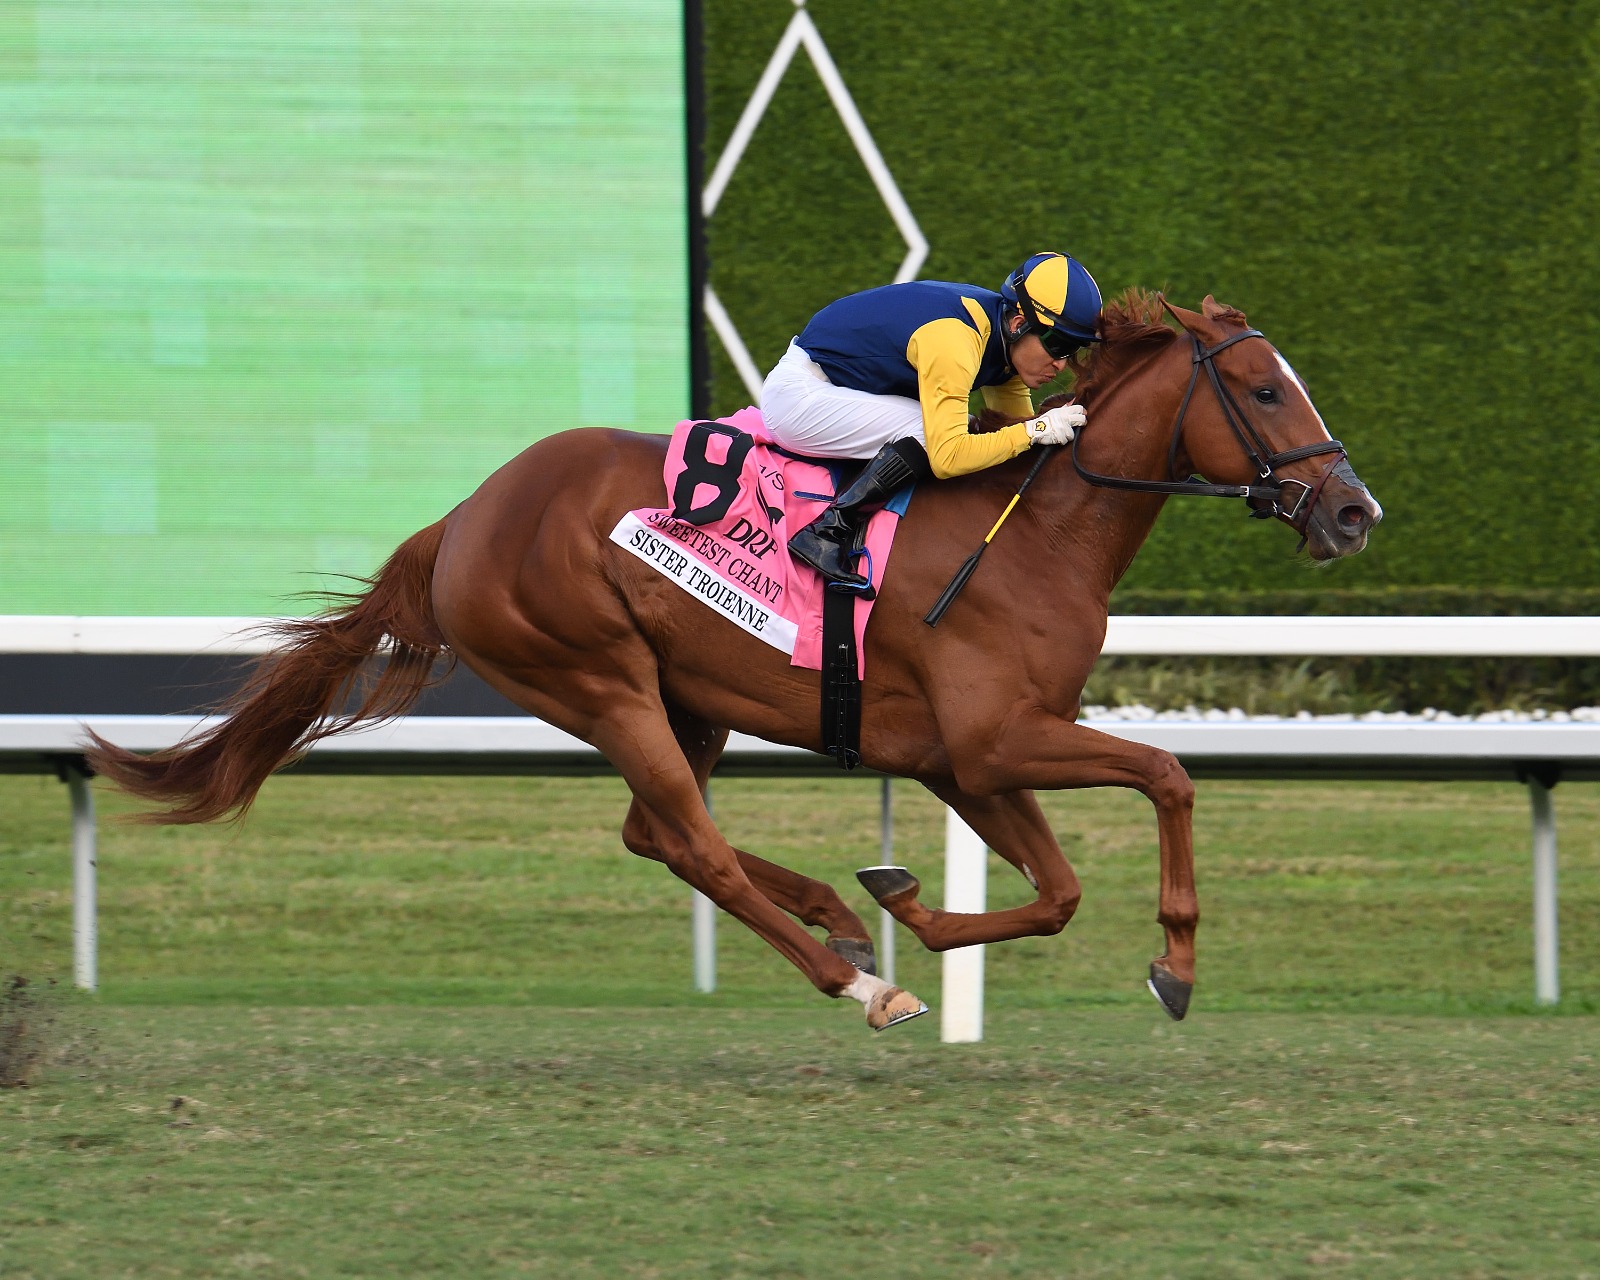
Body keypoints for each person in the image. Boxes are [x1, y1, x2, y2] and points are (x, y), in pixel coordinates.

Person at [761, 251, 1102, 591]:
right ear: (1018, 324)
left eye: (1074, 350)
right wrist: (1036, 430)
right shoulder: (955, 340)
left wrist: (1042, 434)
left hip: (836, 391)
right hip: (800, 398)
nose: (1061, 364)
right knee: (937, 432)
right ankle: (828, 531)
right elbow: (948, 456)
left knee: (973, 432)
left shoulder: (1005, 346)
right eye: (1058, 345)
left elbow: (1011, 432)